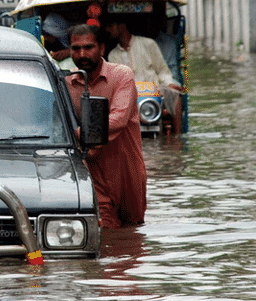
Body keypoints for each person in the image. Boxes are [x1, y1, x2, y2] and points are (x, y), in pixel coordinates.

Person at [65, 24, 147, 230]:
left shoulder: (122, 75)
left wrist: (78, 133)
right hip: (91, 169)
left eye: (88, 47)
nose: (82, 54)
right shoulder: (66, 82)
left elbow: (118, 119)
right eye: (76, 48)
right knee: (105, 230)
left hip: (126, 167)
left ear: (102, 49)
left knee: (132, 230)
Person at [103, 17, 184, 134]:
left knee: (175, 95)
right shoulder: (113, 55)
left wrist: (170, 83)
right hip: (130, 93)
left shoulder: (148, 43)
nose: (108, 30)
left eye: (110, 26)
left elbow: (162, 70)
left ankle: (177, 136)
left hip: (154, 89)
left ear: (121, 26)